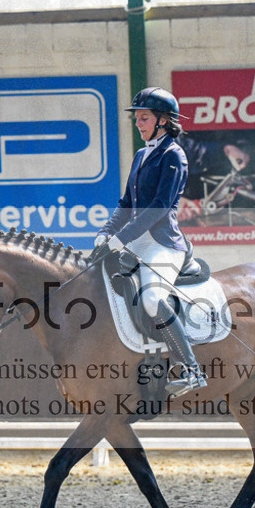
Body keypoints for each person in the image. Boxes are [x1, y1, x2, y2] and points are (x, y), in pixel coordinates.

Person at [93, 87, 208, 397]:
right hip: (133, 241)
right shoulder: (142, 154)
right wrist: (107, 232)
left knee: (152, 300)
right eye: (138, 118)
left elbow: (159, 206)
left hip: (162, 243)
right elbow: (127, 202)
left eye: (144, 118)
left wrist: (122, 238)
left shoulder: (174, 155)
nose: (138, 123)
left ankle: (191, 369)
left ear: (163, 121)